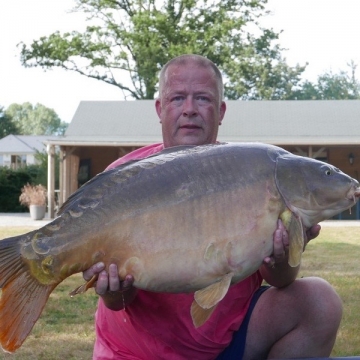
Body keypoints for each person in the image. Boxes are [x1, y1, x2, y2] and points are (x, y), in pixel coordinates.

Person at [83, 54, 342, 359]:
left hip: (226, 340)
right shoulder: (123, 177)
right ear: (160, 108)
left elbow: (281, 280)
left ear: (220, 111)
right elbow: (117, 302)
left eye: (202, 99)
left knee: (320, 302)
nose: (189, 109)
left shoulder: (253, 172)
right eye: (178, 98)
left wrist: (284, 254)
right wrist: (115, 290)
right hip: (135, 352)